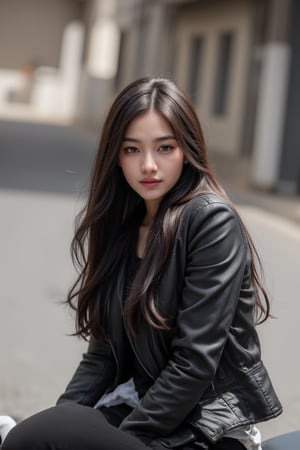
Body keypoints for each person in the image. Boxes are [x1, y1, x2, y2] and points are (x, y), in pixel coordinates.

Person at [2, 77, 282, 450]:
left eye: (164, 147)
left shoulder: (211, 221)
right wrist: (65, 420)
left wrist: (117, 439)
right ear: (116, 156)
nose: (148, 165)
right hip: (141, 411)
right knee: (39, 434)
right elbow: (101, 358)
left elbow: (194, 364)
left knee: (35, 437)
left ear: (187, 148)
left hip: (205, 429)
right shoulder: (121, 225)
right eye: (132, 150)